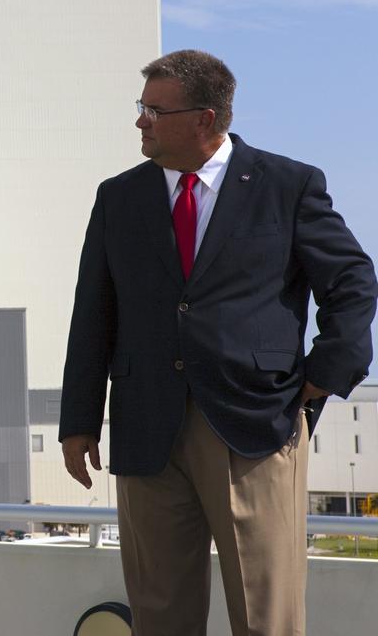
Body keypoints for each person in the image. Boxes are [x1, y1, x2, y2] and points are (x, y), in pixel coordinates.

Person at [59, 50, 376, 636]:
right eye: (142, 108)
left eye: (154, 110)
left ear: (205, 118)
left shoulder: (288, 185)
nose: (140, 122)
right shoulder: (118, 197)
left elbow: (354, 284)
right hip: (146, 427)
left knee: (265, 617)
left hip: (256, 423)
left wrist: (323, 376)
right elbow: (93, 313)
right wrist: (77, 420)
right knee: (159, 616)